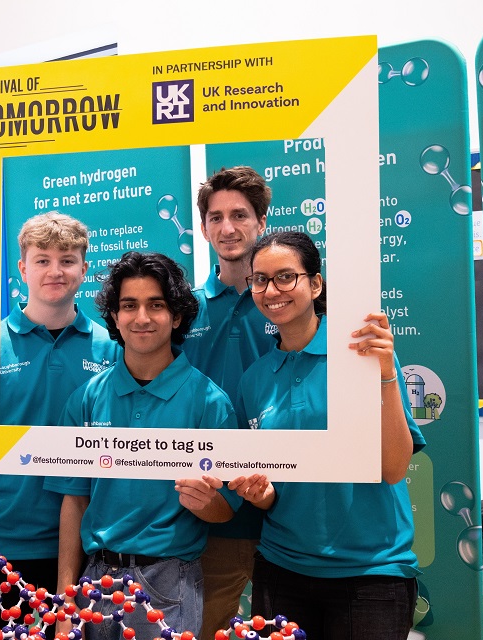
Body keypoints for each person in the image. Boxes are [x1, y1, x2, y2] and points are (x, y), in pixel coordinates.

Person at [228, 231, 425, 640]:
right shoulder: (255, 379)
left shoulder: (362, 353)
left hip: (370, 572)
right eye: (260, 280)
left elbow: (393, 468)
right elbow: (272, 487)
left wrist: (385, 372)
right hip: (282, 569)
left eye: (286, 277)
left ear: (315, 284)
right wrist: (261, 493)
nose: (271, 290)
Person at [0, 212, 120, 632]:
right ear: (22, 269)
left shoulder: (110, 349)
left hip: (83, 544)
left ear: (84, 269)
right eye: (42, 260)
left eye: (67, 259)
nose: (55, 271)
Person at [45, 251, 242, 640]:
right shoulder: (87, 398)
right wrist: (65, 600)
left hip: (168, 583)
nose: (142, 318)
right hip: (92, 583)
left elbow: (225, 512)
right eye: (129, 306)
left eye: (156, 305)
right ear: (115, 317)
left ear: (178, 315)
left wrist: (207, 504)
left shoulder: (210, 402)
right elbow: (74, 500)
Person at [183, 166, 276, 639]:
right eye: (216, 217)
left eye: (240, 215)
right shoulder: (183, 311)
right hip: (213, 512)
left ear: (262, 220)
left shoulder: (291, 304)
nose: (228, 228)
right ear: (203, 229)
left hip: (286, 510)